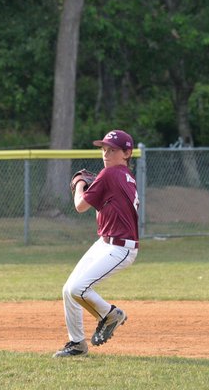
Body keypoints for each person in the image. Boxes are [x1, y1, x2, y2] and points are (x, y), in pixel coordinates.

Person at [54, 129, 140, 357]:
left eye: (112, 150)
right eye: (103, 149)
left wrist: (80, 183)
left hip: (120, 247)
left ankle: (111, 314)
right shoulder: (124, 176)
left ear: (127, 153)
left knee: (77, 288)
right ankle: (76, 344)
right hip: (106, 242)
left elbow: (80, 206)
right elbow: (107, 207)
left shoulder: (109, 174)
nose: (106, 154)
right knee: (67, 290)